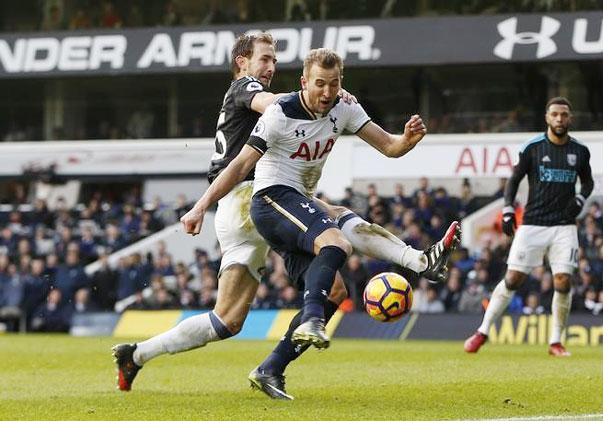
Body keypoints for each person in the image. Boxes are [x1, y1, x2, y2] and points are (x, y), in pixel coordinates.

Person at [113, 35, 459, 393]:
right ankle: (418, 262)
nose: (270, 67)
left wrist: (328, 96)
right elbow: (276, 103)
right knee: (336, 223)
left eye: (273, 60)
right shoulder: (246, 88)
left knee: (230, 319)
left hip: (239, 208)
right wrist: (329, 94)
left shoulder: (291, 103)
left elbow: (382, 142)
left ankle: (137, 354)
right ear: (241, 63)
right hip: (249, 195)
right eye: (263, 59)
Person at [464, 97, 593, 357]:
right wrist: (509, 209)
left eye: (564, 115)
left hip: (564, 227)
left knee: (563, 281)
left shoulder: (580, 151)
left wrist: (579, 199)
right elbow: (513, 181)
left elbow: (588, 182)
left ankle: (556, 342)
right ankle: (482, 331)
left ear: (570, 118)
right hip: (532, 223)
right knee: (512, 279)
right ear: (547, 117)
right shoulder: (532, 147)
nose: (559, 119)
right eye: (555, 114)